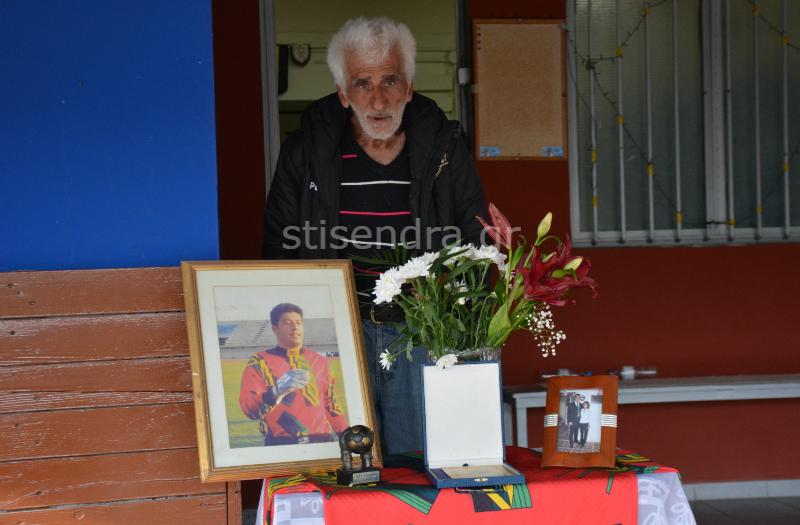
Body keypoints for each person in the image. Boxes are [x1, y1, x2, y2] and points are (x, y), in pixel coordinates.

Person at [262, 17, 486, 454]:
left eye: (390, 80)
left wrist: (460, 331)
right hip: (338, 340)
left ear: (409, 87)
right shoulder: (305, 152)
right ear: (343, 93)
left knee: (421, 461)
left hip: (422, 335)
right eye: (362, 84)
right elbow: (278, 245)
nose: (378, 99)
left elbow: (476, 242)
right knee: (345, 462)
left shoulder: (445, 149)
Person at [239, 303, 349, 445]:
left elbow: (331, 405)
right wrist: (276, 391)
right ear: (275, 329)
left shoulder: (321, 361)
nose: (295, 327)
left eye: (298, 322)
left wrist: (347, 436)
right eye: (287, 322)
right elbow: (249, 409)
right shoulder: (259, 361)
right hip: (281, 444)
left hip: (323, 441)